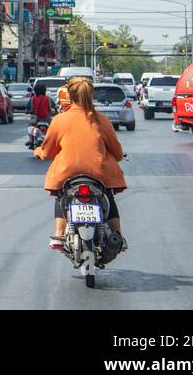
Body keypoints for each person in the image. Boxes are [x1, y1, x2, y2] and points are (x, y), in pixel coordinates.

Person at [35, 78, 128, 253]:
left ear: (69, 96)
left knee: (61, 196)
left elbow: (47, 152)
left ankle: (59, 235)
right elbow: (117, 153)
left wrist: (38, 151)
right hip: (100, 174)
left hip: (66, 173)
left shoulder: (59, 120)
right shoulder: (101, 119)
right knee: (109, 196)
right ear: (91, 95)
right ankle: (118, 237)